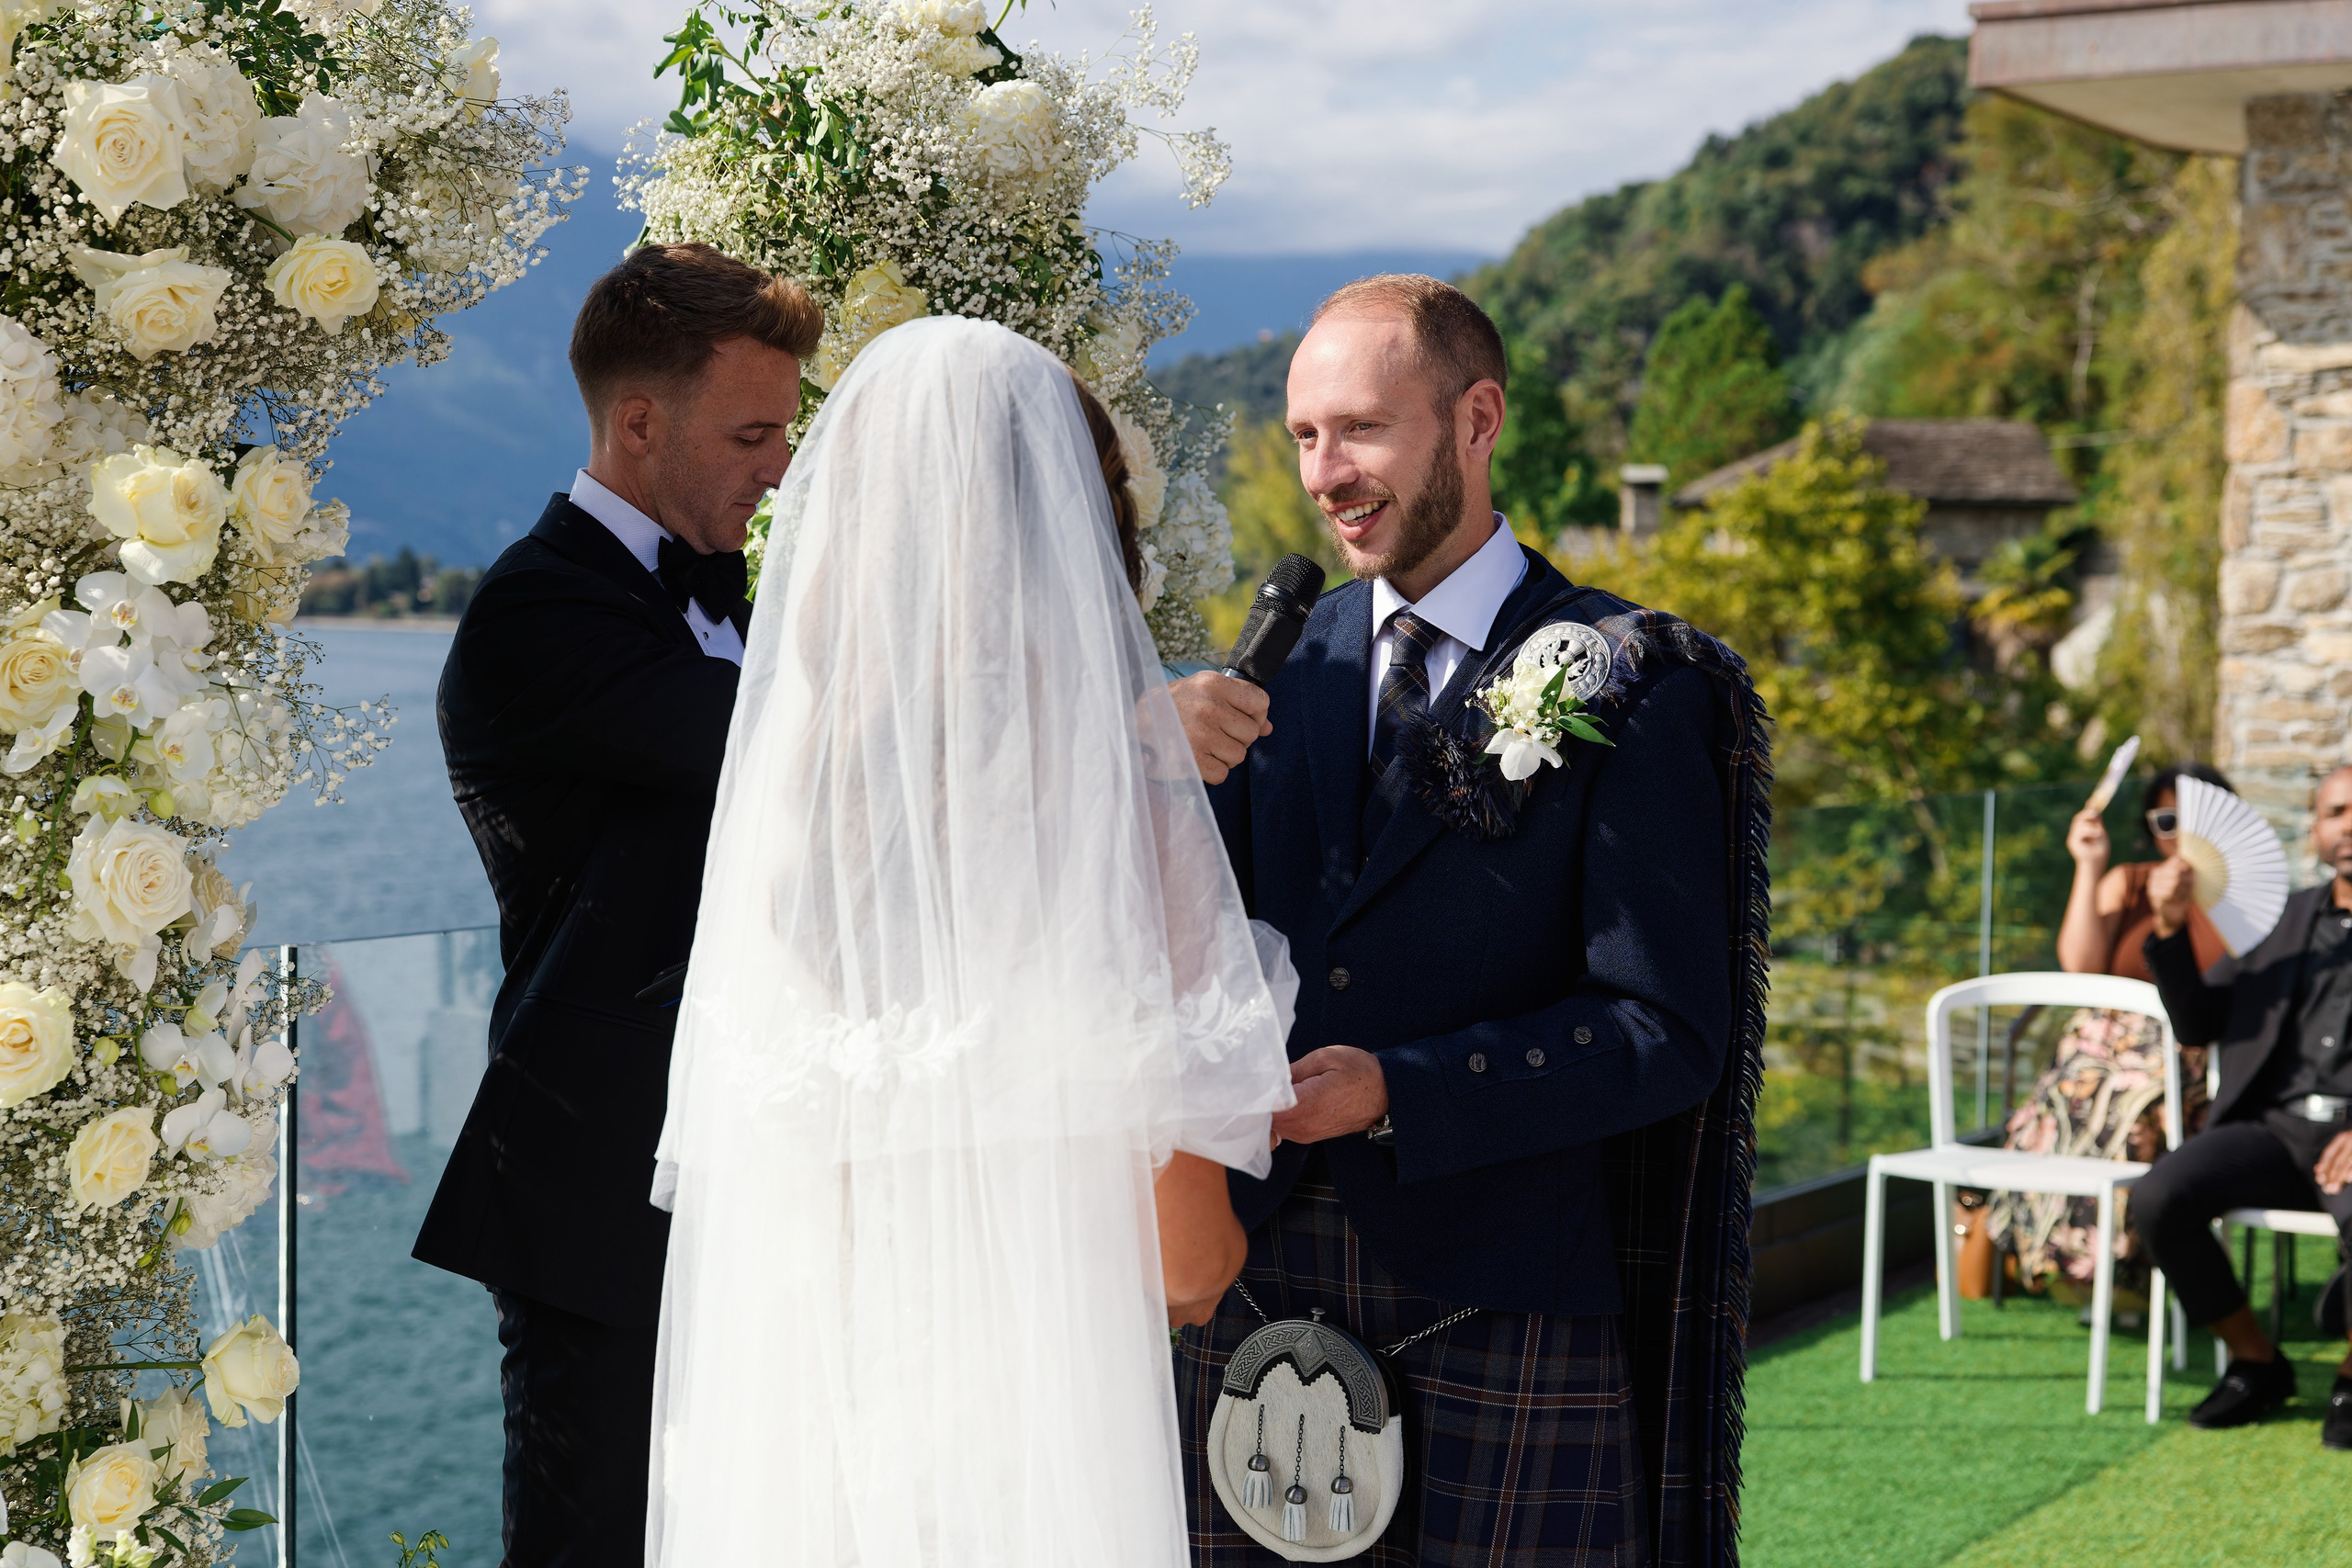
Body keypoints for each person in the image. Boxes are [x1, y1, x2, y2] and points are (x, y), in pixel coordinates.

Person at [643, 316, 1298, 1565]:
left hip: (820, 1457)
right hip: (1029, 1460)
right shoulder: (1113, 808)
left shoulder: (794, 799)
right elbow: (1188, 1261)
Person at [1168, 275, 1770, 1565]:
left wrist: (1397, 1086)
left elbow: (1663, 1028)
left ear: (1477, 418)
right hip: (1258, 1275)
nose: (1328, 472)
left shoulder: (1627, 674)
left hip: (1498, 1288)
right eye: (1307, 436)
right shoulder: (1278, 663)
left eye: (1364, 429)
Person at [410, 243, 822, 1568]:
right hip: (600, 1197)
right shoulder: (537, 611)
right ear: (639, 421)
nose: (777, 467)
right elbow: (790, 748)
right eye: (752, 432)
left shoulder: (740, 598)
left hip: (758, 1161)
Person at [2131, 763, 2352, 1449]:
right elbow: (2199, 1023)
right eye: (2337, 811)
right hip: (2275, 1128)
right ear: (2315, 830)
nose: (2350, 824)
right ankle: (2256, 1360)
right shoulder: (2283, 921)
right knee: (2159, 1196)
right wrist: (2169, 931)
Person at [1989, 766, 2233, 1302]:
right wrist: (2090, 864)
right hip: (2100, 1042)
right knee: (2060, 1101)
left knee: (2133, 1106)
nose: (2181, 833)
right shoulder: (2130, 881)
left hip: (2189, 1053)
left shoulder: (2241, 901)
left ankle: (2120, 1267)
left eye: (2195, 817)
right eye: (2167, 820)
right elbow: (2080, 967)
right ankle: (2061, 1259)